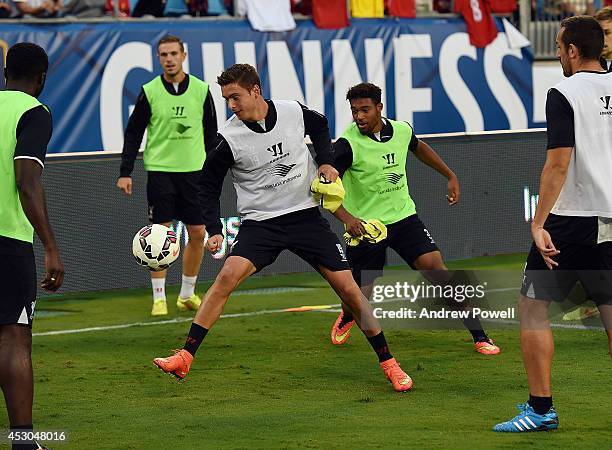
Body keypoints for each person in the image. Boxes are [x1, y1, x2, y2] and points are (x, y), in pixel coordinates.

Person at [153, 64, 413, 392]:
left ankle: (390, 364)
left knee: (350, 292)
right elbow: (207, 186)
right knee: (225, 280)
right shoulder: (228, 138)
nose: (231, 105)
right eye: (226, 100)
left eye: (235, 97)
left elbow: (319, 123)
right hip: (261, 225)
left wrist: (327, 160)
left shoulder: (291, 111)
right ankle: (185, 356)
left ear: (255, 91)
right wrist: (214, 227)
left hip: (305, 218)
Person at [493, 16, 612, 433]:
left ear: (573, 51)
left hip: (573, 220)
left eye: (560, 48)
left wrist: (538, 221)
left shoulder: (563, 92)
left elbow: (558, 163)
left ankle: (541, 409)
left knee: (532, 306)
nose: (559, 54)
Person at [329, 82, 501, 356]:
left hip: (404, 218)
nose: (359, 116)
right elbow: (325, 187)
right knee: (360, 297)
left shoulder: (401, 130)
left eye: (364, 110)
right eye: (354, 111)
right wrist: (346, 217)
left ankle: (480, 336)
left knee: (438, 270)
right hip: (367, 229)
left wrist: (450, 175)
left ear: (379, 108)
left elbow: (418, 147)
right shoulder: (346, 145)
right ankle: (348, 313)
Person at [117, 35, 217, 316]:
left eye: (174, 53)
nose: (169, 59)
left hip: (195, 172)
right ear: (158, 58)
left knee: (198, 232)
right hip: (161, 171)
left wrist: (214, 171)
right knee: (159, 235)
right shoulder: (149, 91)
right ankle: (159, 297)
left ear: (184, 55)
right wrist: (125, 172)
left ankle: (187, 294)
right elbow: (134, 132)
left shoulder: (201, 90)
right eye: (163, 54)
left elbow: (212, 135)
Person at [1, 42, 64, 450]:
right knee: (13, 337)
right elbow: (27, 180)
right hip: (6, 240)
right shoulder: (33, 112)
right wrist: (51, 246)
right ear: (41, 78)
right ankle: (24, 441)